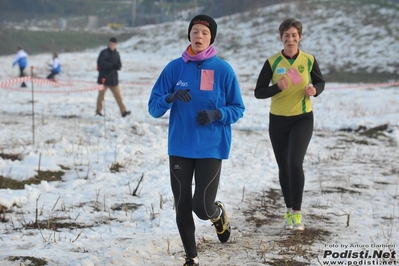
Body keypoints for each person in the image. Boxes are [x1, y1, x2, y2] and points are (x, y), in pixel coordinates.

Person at [148, 15, 245, 266]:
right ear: (189, 35)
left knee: (201, 206)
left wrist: (217, 114)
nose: (198, 36)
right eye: (194, 31)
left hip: (211, 146)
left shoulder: (223, 69)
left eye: (204, 32)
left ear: (211, 37)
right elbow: (153, 108)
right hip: (180, 145)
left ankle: (217, 214)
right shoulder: (174, 68)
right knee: (182, 204)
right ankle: (192, 257)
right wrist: (170, 97)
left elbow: (238, 108)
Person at [254, 18, 325, 231]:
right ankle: (288, 209)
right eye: (287, 36)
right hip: (278, 121)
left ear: (300, 37)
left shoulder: (309, 60)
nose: (290, 39)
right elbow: (258, 92)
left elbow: (320, 82)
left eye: (294, 36)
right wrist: (277, 87)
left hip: (303, 118)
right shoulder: (272, 62)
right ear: (281, 38)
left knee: (295, 162)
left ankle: (297, 213)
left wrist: (315, 90)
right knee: (283, 166)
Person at [96, 37, 130, 117]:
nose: (112, 46)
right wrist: (111, 66)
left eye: (113, 45)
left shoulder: (116, 54)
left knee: (118, 96)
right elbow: (100, 63)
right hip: (103, 79)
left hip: (113, 80)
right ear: (109, 43)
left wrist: (117, 67)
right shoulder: (104, 52)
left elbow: (119, 65)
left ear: (116, 45)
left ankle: (123, 111)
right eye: (111, 44)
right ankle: (98, 111)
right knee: (101, 96)